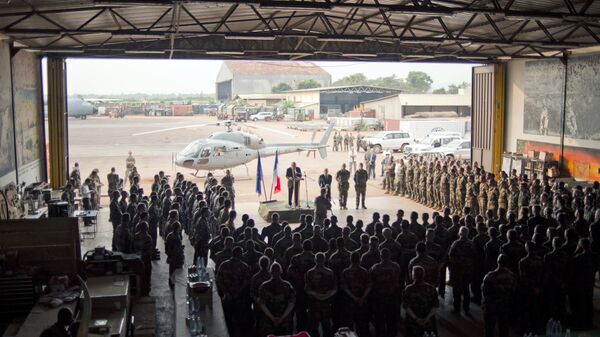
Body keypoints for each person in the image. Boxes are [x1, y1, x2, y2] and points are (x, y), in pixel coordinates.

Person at [217, 246, 252, 336]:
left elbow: (219, 280)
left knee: (227, 320)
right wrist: (237, 293)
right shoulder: (244, 266)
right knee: (240, 320)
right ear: (240, 254)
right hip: (239, 298)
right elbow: (246, 282)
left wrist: (226, 293)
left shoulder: (224, 264)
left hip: (227, 297)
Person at [482, 254, 517, 337]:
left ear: (498, 262)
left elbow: (484, 291)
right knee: (504, 328)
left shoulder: (489, 276)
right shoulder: (512, 276)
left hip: (491, 305)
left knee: (489, 329)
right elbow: (514, 291)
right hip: (505, 305)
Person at [257, 263, 296, 337]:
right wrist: (282, 318)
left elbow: (262, 304)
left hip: (268, 320)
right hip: (285, 320)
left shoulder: (264, 286)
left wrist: (273, 318)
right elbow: (291, 303)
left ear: (270, 271)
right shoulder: (287, 285)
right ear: (281, 271)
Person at [370, 248, 401, 337]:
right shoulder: (396, 266)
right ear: (390, 256)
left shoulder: (375, 267)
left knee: (379, 322)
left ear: (381, 256)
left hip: (379, 299)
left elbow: (371, 282)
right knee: (392, 321)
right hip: (393, 298)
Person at [305, 252, 337, 337]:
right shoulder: (330, 272)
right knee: (326, 327)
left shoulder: (310, 272)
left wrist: (317, 296)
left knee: (314, 328)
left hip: (315, 303)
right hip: (325, 303)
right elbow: (334, 289)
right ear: (325, 260)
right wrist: (325, 296)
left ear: (315, 260)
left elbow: (308, 289)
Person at [340, 251, 371, 337]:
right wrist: (362, 298)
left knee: (349, 326)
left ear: (350, 259)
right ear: (360, 259)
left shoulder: (345, 272)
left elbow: (345, 288)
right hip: (362, 302)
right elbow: (369, 286)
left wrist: (354, 298)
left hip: (349, 302)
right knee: (362, 324)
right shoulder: (365, 271)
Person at [403, 265, 439, 337]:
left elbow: (406, 306)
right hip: (428, 321)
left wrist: (416, 319)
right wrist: (427, 319)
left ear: (413, 275)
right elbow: (435, 306)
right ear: (424, 275)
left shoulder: (408, 289)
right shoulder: (431, 288)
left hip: (412, 321)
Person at [448, 226, 476, 315]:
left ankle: (457, 309)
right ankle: (466, 309)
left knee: (457, 290)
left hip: (458, 271)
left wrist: (455, 265)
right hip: (467, 271)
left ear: (459, 233)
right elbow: (475, 257)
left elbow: (450, 256)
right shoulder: (471, 243)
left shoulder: (456, 243)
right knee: (466, 290)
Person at [133, 222, 153, 296]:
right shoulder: (148, 237)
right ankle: (146, 292)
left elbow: (134, 248)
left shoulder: (136, 236)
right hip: (146, 260)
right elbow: (149, 251)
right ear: (146, 228)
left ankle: (140, 291)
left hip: (137, 260)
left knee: (140, 277)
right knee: (147, 277)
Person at [165, 221, 184, 289]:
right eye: (179, 228)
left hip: (174, 256)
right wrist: (180, 249)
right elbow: (172, 248)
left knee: (173, 270)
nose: (180, 229)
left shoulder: (171, 235)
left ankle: (173, 283)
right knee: (175, 270)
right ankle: (173, 284)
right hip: (175, 257)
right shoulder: (173, 236)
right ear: (177, 228)